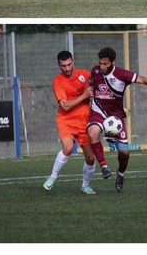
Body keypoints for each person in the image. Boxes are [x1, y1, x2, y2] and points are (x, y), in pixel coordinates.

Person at [87, 47, 147, 192]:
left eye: (105, 64)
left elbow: (144, 79)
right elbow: (91, 83)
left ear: (113, 62)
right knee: (92, 132)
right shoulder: (95, 70)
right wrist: (89, 90)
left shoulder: (122, 74)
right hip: (98, 111)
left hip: (115, 117)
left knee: (124, 152)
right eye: (100, 63)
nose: (102, 67)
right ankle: (104, 167)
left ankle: (121, 174)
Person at [43, 51, 97, 194]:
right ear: (59, 65)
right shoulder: (57, 81)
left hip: (84, 121)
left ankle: (85, 185)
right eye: (63, 66)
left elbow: (98, 86)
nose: (67, 68)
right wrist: (84, 95)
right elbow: (65, 105)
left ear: (73, 62)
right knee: (68, 147)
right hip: (65, 120)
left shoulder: (84, 75)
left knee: (91, 158)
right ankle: (52, 177)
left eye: (69, 64)